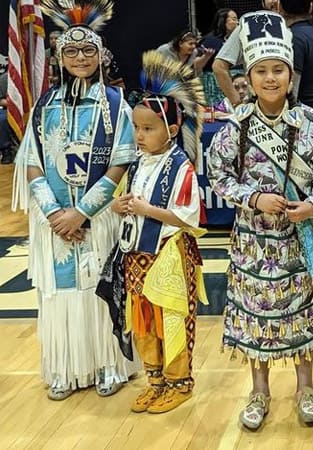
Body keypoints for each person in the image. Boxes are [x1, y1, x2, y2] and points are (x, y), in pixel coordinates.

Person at [208, 11, 313, 430]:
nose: (269, 78)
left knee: (301, 312)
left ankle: (306, 388)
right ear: (248, 76)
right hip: (253, 242)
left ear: (291, 74)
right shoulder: (237, 127)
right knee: (255, 317)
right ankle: (259, 391)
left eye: (278, 70)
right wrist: (254, 197)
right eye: (261, 71)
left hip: (298, 240)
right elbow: (219, 176)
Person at [12, 0, 138, 401]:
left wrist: (81, 212)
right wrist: (54, 214)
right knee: (61, 294)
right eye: (71, 51)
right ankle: (64, 367)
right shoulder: (44, 107)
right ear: (59, 56)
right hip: (54, 223)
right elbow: (31, 163)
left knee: (98, 290)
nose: (80, 58)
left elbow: (120, 162)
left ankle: (107, 364)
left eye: (88, 51)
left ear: (100, 55)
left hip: (97, 218)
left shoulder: (116, 106)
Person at [107, 50, 206, 414]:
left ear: (173, 130)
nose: (140, 135)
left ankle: (180, 382)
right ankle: (155, 380)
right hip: (137, 254)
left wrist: (148, 210)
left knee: (172, 318)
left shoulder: (181, 166)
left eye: (148, 128)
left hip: (169, 254)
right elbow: (124, 201)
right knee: (144, 319)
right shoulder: (136, 162)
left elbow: (189, 217)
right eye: (136, 128)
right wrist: (119, 206)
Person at [214, 0, 313, 120]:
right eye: (261, 71)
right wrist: (240, 106)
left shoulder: (292, 36)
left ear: (279, 6)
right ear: (310, 7)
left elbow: (291, 92)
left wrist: (239, 106)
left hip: (295, 120)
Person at [200, 8, 239, 106]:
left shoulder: (238, 40)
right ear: (223, 21)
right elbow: (196, 66)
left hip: (237, 83)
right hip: (215, 85)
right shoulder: (210, 41)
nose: (237, 22)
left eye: (237, 19)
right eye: (233, 19)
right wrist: (206, 57)